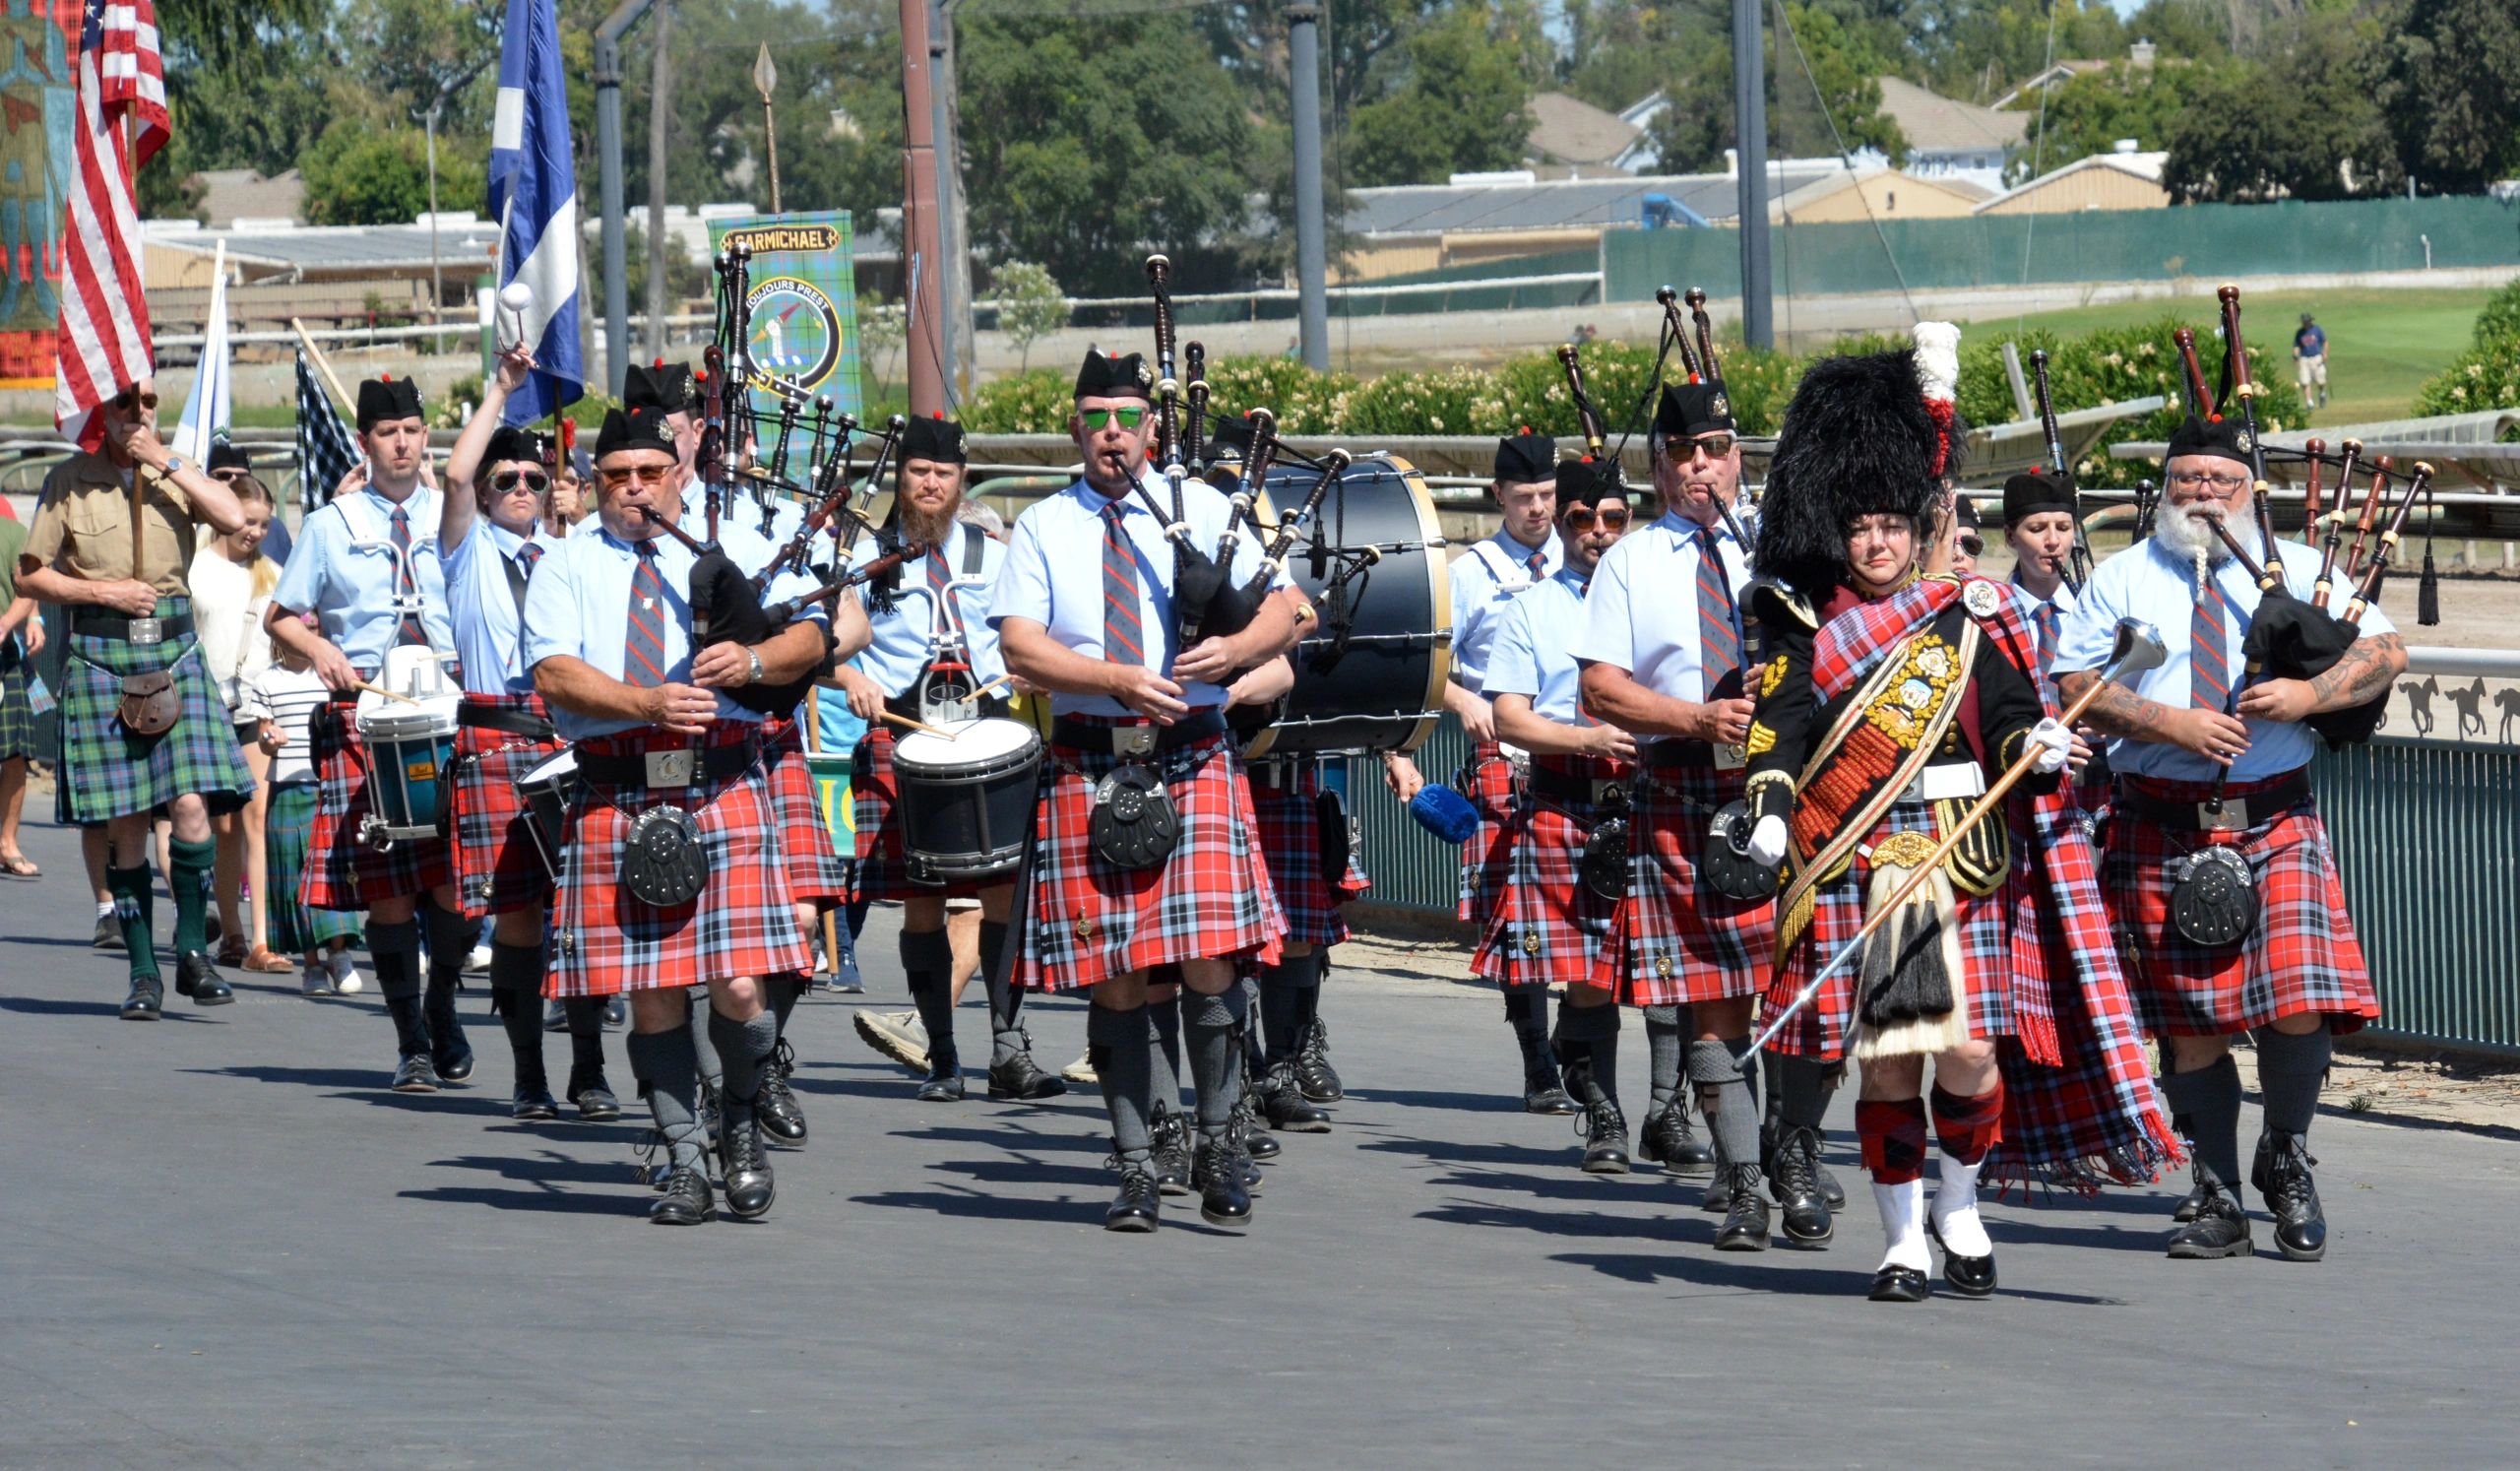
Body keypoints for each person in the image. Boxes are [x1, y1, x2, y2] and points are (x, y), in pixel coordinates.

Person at [1744, 333, 2176, 1301]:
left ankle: (1960, 1203)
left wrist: (2035, 746)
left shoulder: (1966, 616)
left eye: (1892, 526)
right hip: (1867, 857)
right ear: (1837, 532)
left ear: (1917, 525)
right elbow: (1777, 728)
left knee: (1971, 1054)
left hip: (1963, 851)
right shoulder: (1804, 622)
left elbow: (2014, 706)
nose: (1876, 543)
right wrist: (1769, 815)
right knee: (1893, 1063)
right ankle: (1900, 1242)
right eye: (1857, 529)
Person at [2054, 407, 2401, 1264]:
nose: (2203, 493)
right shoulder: (2124, 578)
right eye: (2187, 479)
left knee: (2298, 1003)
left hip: (2275, 816)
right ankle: (2214, 1193)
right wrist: (2172, 722)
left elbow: (2387, 652)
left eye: (2220, 479)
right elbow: (2072, 682)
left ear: (2251, 490)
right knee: (2191, 1023)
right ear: (2165, 489)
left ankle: (2285, 1156)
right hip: (2162, 822)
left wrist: (2309, 698)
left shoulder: (2296, 569)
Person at [988, 349, 1300, 1233]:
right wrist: (1114, 677)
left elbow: (1286, 607)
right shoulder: (1045, 525)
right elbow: (1020, 649)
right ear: (1076, 429)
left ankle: (1219, 1139)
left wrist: (1237, 652)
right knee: (1115, 972)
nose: (1112, 433)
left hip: (1193, 753)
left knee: (1208, 960)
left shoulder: (1204, 507)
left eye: (1127, 417)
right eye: (1096, 418)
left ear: (1152, 427)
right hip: (1093, 755)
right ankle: (1132, 1161)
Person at [523, 404, 857, 1224]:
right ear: (595, 484)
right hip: (617, 786)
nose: (634, 490)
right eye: (616, 477)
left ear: (678, 471)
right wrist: (643, 699)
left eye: (649, 473)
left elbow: (816, 638)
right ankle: (681, 1160)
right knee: (654, 993)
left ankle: (738, 1121)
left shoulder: (732, 542)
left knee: (741, 987)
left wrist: (750, 659)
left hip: (720, 783)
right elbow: (555, 674)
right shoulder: (565, 564)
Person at [1574, 381, 1779, 1243]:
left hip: (1785, 782)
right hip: (1687, 782)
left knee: (1792, 986)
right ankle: (1743, 1179)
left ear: (1738, 459)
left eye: (1718, 449)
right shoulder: (1631, 561)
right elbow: (1599, 686)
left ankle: (1786, 1154)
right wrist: (1695, 717)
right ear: (1661, 467)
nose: (1704, 467)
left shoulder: (1778, 547)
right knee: (1715, 995)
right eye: (1686, 453)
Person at [1475, 457, 1698, 1175]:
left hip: (1660, 797)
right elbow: (1508, 716)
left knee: (1674, 969)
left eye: (1612, 519)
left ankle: (1668, 1114)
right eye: (1582, 519)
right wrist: (1586, 737)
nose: (1598, 534)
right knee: (1591, 977)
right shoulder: (1532, 609)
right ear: (1562, 523)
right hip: (1570, 799)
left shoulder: (1666, 596)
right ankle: (1604, 1114)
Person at [834, 412, 1063, 1103]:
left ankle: (1007, 1051)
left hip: (988, 733)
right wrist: (851, 679)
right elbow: (824, 642)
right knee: (922, 906)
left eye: (943, 473)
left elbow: (1035, 631)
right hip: (903, 738)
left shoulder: (999, 554)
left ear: (962, 480)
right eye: (917, 471)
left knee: (1004, 897)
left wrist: (1031, 670)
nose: (930, 483)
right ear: (900, 479)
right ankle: (940, 1057)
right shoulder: (860, 559)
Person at [17, 379, 255, 1016]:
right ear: (102, 409)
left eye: (148, 403)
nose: (138, 413)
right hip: (102, 656)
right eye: (125, 402)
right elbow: (30, 571)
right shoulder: (69, 480)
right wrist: (105, 593)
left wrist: (165, 459)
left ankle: (193, 953)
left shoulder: (179, 472)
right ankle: (144, 973)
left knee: (191, 810)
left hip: (174, 654)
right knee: (125, 824)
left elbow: (234, 518)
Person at [265, 377, 474, 1090]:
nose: (404, 443)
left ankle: (443, 1003)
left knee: (453, 882)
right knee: (389, 888)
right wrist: (320, 650)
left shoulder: (455, 514)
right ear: (365, 442)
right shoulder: (331, 524)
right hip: (366, 715)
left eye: (413, 429)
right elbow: (283, 615)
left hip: (448, 707)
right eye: (389, 433)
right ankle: (411, 1038)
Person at [438, 344, 619, 1123]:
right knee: (516, 919)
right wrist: (503, 389)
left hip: (569, 738)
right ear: (486, 493)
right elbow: (451, 475)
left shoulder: (574, 556)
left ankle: (588, 1069)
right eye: (505, 480)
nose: (519, 488)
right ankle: (527, 1076)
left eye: (534, 480)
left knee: (583, 910)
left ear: (555, 490)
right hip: (494, 740)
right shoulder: (464, 548)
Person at [1446, 430, 1572, 1114]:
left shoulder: (1585, 560)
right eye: (1524, 498)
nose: (1539, 510)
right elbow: (1432, 661)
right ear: (1498, 496)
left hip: (1576, 747)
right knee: (1518, 916)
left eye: (1548, 496)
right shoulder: (1472, 573)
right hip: (1504, 756)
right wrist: (1464, 699)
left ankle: (1576, 1042)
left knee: (1593, 905)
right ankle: (1539, 1063)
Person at [242, 616, 366, 995]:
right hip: (286, 790)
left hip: (326, 788)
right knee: (295, 880)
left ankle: (340, 956)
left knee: (334, 874)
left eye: (312, 631)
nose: (306, 639)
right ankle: (312, 965)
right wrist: (269, 739)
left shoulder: (328, 677)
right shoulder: (266, 681)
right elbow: (263, 736)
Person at [188, 473, 282, 971]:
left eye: (265, 525)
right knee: (222, 829)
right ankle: (232, 932)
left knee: (255, 820)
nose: (255, 532)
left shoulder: (275, 574)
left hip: (255, 709)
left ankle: (262, 939)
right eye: (249, 521)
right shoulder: (196, 569)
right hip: (205, 709)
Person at [0, 511, 43, 879]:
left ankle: (7, 843)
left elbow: (28, 589)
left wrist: (9, 622)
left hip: (3, 654)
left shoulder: (13, 532)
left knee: (14, 755)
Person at [2292, 313, 2328, 409]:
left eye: (2307, 321)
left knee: (2320, 380)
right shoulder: (2299, 333)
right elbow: (2296, 346)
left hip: (2316, 357)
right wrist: (2295, 356)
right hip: (2304, 358)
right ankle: (2309, 401)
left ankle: (2322, 393)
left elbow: (2325, 341)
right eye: (2304, 322)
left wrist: (2325, 352)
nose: (2305, 323)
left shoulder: (2317, 330)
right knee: (2305, 380)